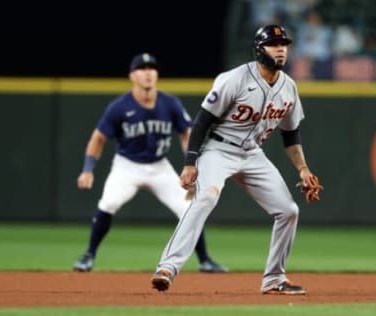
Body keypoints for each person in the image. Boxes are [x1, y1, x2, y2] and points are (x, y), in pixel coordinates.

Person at [151, 25, 323, 295]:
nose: (280, 49)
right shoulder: (234, 78)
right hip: (217, 149)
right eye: (273, 44)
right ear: (259, 49)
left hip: (253, 153)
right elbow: (203, 120)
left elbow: (290, 134)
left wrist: (303, 169)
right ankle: (167, 268)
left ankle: (275, 279)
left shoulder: (289, 87)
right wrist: (190, 163)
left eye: (283, 44)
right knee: (206, 197)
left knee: (289, 211)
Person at [73, 52, 228, 273]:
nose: (148, 73)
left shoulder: (170, 103)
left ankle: (205, 260)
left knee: (188, 209)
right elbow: (98, 138)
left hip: (159, 167)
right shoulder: (119, 106)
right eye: (142, 69)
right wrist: (87, 170)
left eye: (151, 69)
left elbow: (187, 133)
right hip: (127, 166)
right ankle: (88, 255)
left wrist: (192, 163)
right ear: (132, 76)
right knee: (108, 203)